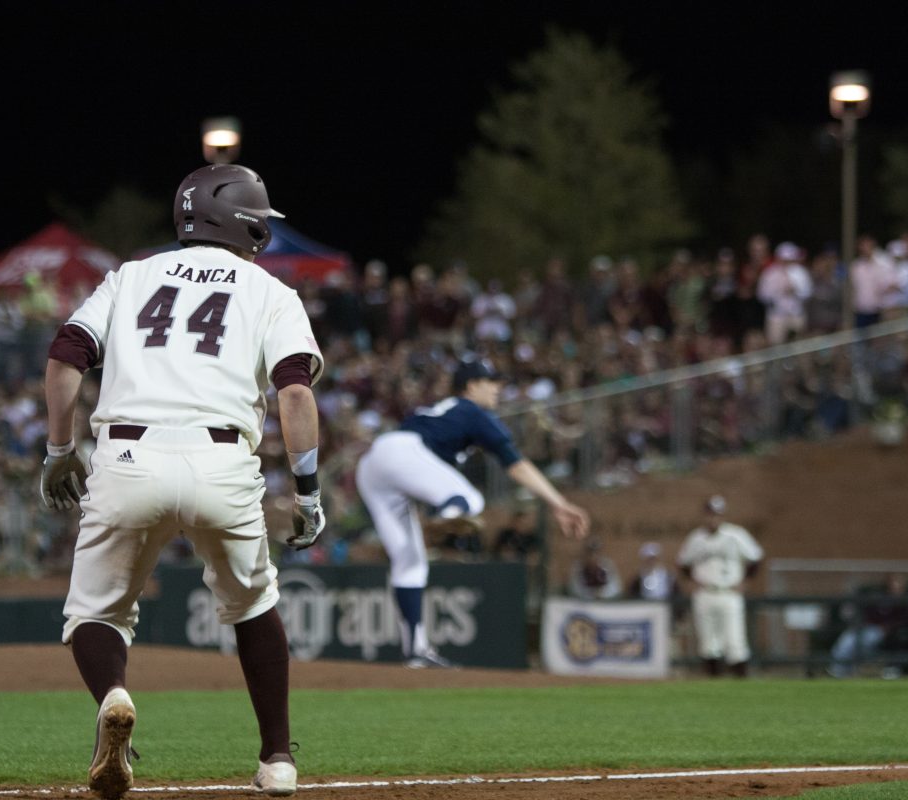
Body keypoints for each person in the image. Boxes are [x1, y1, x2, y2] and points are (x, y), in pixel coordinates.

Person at [39, 164, 324, 799]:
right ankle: (277, 759)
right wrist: (307, 490)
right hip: (221, 462)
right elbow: (296, 392)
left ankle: (114, 696)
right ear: (246, 223)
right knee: (253, 604)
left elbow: (65, 357)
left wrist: (61, 447)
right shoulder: (269, 291)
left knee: (95, 611)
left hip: (127, 456)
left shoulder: (130, 275)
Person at [355, 355, 590, 668]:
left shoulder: (446, 413)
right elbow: (515, 465)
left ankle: (415, 651)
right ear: (471, 385)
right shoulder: (471, 410)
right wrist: (559, 503)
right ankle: (447, 517)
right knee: (470, 500)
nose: (497, 389)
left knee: (410, 562)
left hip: (375, 466)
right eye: (491, 383)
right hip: (402, 453)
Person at [676, 495, 764, 677]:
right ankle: (713, 683)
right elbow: (683, 563)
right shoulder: (696, 538)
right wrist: (691, 581)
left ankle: (740, 681)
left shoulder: (735, 534)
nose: (713, 518)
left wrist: (746, 582)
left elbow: (755, 558)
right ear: (704, 515)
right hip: (705, 592)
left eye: (716, 514)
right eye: (710, 514)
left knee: (735, 639)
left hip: (728, 592)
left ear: (722, 516)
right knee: (708, 641)